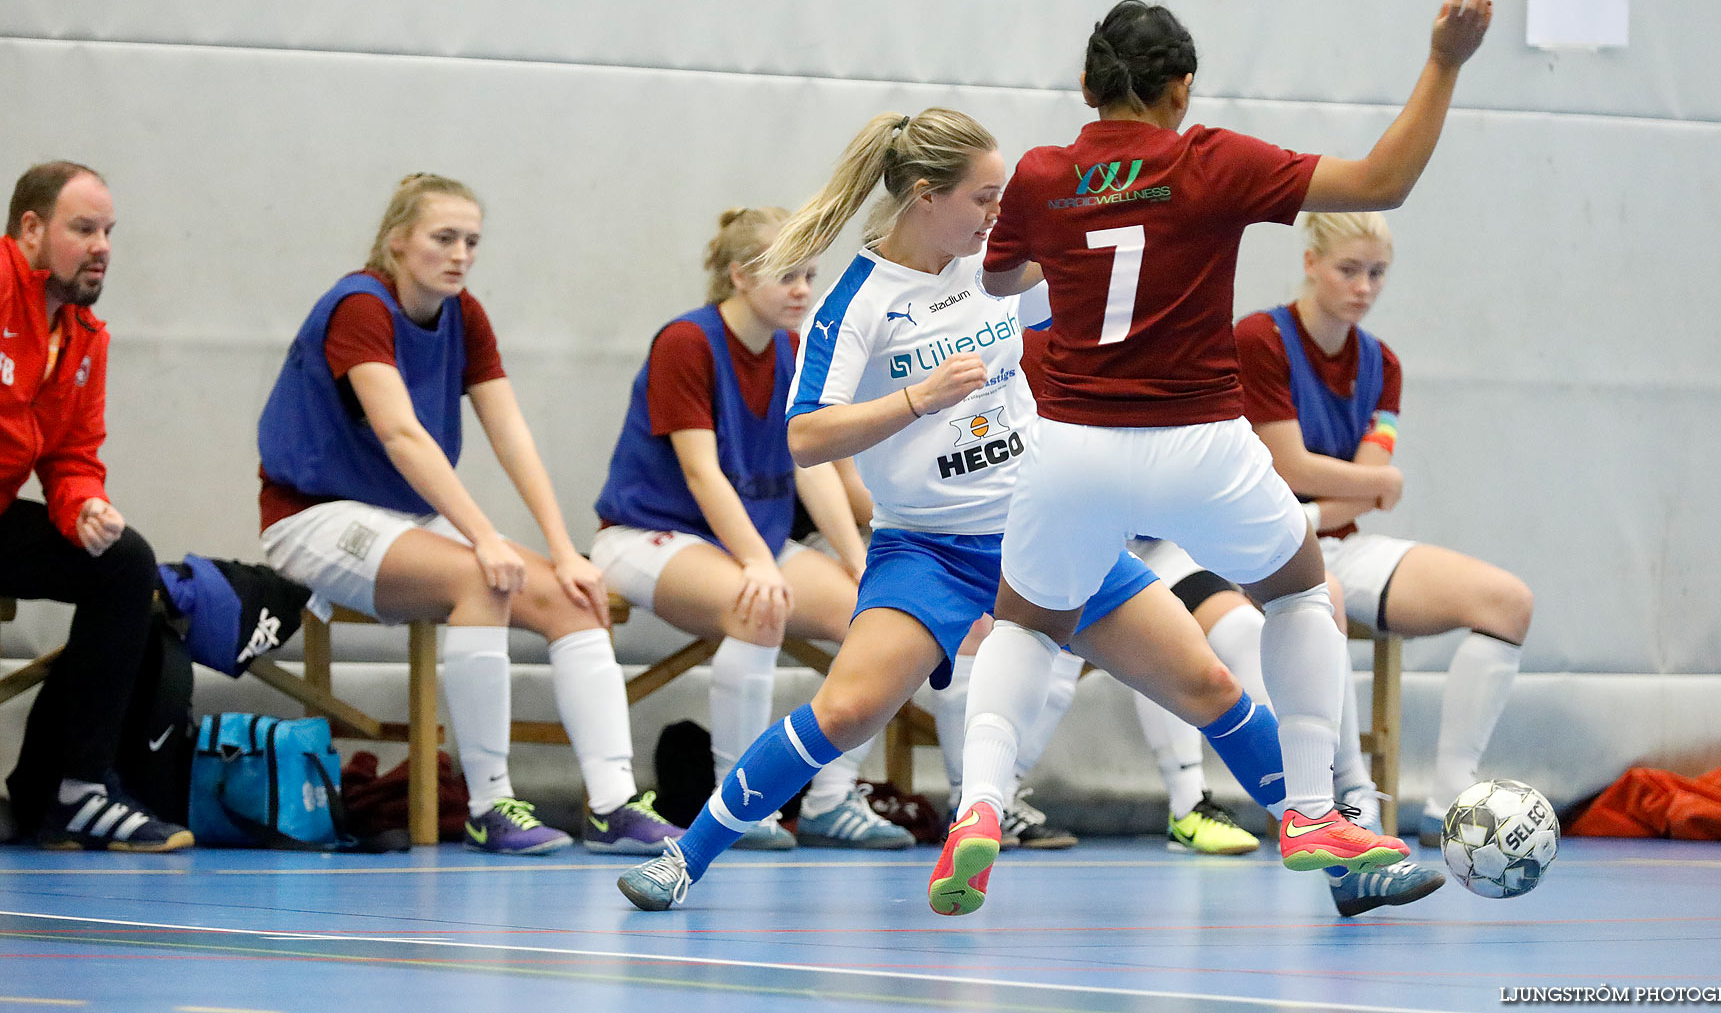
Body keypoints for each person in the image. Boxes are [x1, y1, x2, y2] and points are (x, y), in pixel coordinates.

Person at [617, 108, 1288, 913]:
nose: (997, 216)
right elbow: (804, 437)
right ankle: (685, 859)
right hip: (927, 550)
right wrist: (915, 398)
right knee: (848, 708)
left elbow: (1105, 297)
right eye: (984, 200)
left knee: (1209, 682)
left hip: (1047, 533)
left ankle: (1335, 842)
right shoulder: (857, 301)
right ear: (926, 198)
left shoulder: (1002, 270)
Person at [964, 0, 1491, 895]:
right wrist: (1445, 60)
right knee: (1299, 592)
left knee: (1027, 623)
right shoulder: (1212, 161)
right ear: (1184, 90)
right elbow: (1383, 183)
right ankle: (1315, 813)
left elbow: (1001, 282)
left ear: (1087, 86)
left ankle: (977, 803)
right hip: (1199, 443)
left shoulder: (1042, 176)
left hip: (1075, 445)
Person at [256, 173, 663, 854]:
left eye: (471, 241)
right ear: (397, 242)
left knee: (573, 601)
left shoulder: (463, 314)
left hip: (405, 521)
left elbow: (511, 434)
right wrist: (483, 538)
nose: (460, 254)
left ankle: (613, 806)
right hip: (316, 516)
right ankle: (490, 804)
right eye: (443, 238)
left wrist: (565, 551)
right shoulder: (360, 305)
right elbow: (401, 435)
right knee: (483, 578)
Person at [593, 206, 909, 850]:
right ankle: (739, 808)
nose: (802, 291)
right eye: (787, 277)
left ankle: (830, 799)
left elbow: (814, 470)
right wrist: (757, 563)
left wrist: (857, 560)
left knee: (882, 621)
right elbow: (702, 472)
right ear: (738, 276)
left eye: (810, 276)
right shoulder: (686, 342)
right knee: (757, 603)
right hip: (648, 536)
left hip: (748, 543)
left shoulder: (792, 350)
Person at [1235, 208, 1532, 846]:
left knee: (1508, 602)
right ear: (1310, 263)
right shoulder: (1260, 339)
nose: (1364, 287)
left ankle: (1452, 804)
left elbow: (1364, 493)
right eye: (1349, 270)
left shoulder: (1383, 364)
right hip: (1256, 549)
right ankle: (1348, 795)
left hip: (1336, 544)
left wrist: (1353, 489)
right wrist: (1364, 484)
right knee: (1323, 600)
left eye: (1377, 273)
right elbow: (1288, 467)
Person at [0, 162, 193, 851]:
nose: (102, 245)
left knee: (123, 563)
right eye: (83, 228)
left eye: (108, 230)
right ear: (30, 230)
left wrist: (83, 507)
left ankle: (72, 789)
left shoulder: (82, 338)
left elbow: (71, 456)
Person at [1131, 540, 1447, 916]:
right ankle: (1188, 803)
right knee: (1135, 649)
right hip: (1070, 544)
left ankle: (1337, 843)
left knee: (1232, 656)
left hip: (1154, 550)